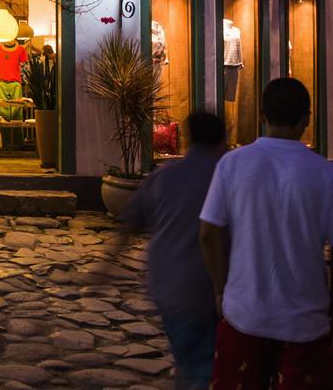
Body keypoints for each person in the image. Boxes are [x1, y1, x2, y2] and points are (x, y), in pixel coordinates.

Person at [200, 78, 333, 390]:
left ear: (261, 115)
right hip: (305, 319)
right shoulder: (325, 174)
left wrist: (220, 289)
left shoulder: (233, 164)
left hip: (244, 313)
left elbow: (208, 232)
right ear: (306, 119)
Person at [121, 112, 226, 389]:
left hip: (169, 283)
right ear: (222, 140)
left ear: (187, 138)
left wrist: (106, 265)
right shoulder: (226, 176)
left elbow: (131, 219)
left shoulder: (164, 176)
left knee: (189, 358)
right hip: (210, 285)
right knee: (203, 361)